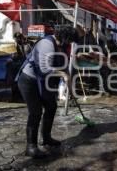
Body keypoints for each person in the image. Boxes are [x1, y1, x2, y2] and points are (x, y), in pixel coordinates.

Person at [17, 26, 77, 158]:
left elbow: (66, 69)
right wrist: (62, 74)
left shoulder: (62, 47)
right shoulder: (46, 44)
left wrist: (71, 91)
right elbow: (44, 70)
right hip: (29, 80)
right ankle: (31, 147)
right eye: (70, 41)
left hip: (43, 81)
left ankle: (46, 137)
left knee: (51, 106)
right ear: (64, 38)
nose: (71, 44)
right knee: (36, 111)